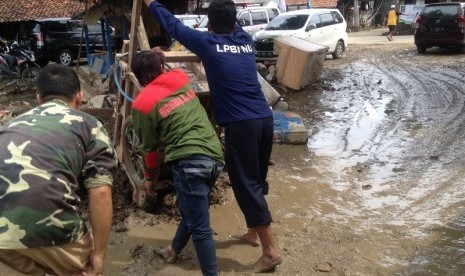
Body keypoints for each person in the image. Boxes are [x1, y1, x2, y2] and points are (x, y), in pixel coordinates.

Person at [143, 0, 282, 272]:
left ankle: (270, 250)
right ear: (234, 23)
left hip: (242, 125)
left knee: (245, 184)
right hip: (265, 119)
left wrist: (152, 3)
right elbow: (227, 24)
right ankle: (254, 232)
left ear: (209, 25)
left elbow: (172, 24)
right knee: (257, 178)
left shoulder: (207, 43)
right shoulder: (245, 40)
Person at [0, 64, 117, 275]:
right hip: (54, 230)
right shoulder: (89, 125)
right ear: (80, 97)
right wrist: (99, 254)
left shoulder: (10, 126)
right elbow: (100, 191)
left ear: (38, 98)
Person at [130, 49, 224, 276]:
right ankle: (173, 249)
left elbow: (150, 151)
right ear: (162, 67)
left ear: (138, 77)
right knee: (194, 212)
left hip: (189, 163)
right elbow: (169, 70)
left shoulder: (142, 104)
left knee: (200, 228)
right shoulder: (180, 78)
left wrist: (149, 180)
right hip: (215, 157)